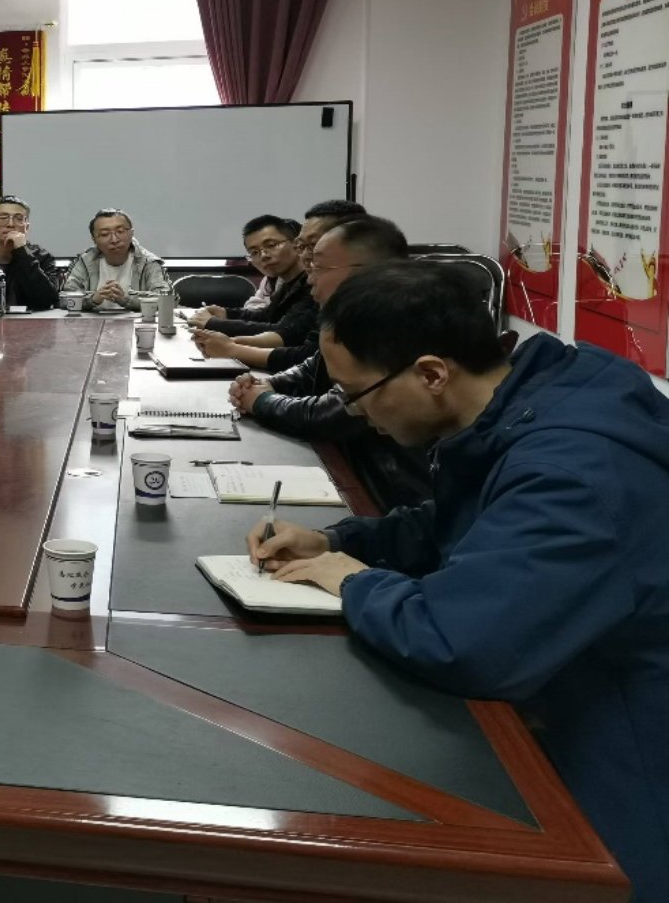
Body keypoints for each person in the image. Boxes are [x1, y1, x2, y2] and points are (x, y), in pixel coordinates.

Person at [247, 261, 669, 901]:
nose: (355, 413)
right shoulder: (522, 405)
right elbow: (465, 521)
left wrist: (354, 580)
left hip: (626, 750)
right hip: (569, 695)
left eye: (358, 394)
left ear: (431, 374)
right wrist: (340, 540)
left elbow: (462, 643)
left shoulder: (574, 471)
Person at [219, 217, 429, 510]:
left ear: (367, 269)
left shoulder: (399, 319)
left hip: (390, 496)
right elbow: (313, 366)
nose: (308, 276)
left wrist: (261, 400)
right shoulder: (348, 314)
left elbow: (336, 412)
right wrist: (268, 384)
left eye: (317, 264)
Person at [192, 201, 374, 372]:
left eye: (312, 245)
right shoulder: (298, 282)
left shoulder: (368, 298)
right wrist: (226, 328)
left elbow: (303, 353)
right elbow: (285, 331)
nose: (305, 255)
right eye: (254, 252)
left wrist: (230, 346)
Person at [187, 215, 311, 342]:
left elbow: (284, 332)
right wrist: (226, 313)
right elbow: (266, 316)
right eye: (254, 252)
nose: (263, 256)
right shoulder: (286, 283)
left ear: (297, 244)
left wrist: (213, 323)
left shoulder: (313, 283)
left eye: (271, 245)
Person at [61, 208, 169, 312]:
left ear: (131, 233)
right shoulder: (85, 261)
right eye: (105, 234)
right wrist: (92, 299)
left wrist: (127, 299)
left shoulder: (148, 262)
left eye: (120, 231)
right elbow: (63, 299)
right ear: (94, 239)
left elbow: (166, 300)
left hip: (137, 322)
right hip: (92, 322)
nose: (114, 239)